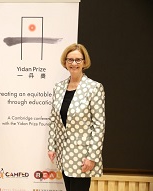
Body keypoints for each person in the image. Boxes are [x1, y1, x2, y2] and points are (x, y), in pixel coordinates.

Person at [47, 43, 105, 191]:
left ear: (84, 62)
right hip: (63, 153)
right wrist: (51, 146)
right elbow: (54, 120)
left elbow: (99, 126)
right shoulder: (58, 88)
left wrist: (92, 156)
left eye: (78, 60)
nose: (74, 63)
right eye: (70, 60)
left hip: (83, 155)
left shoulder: (94, 88)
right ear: (65, 62)